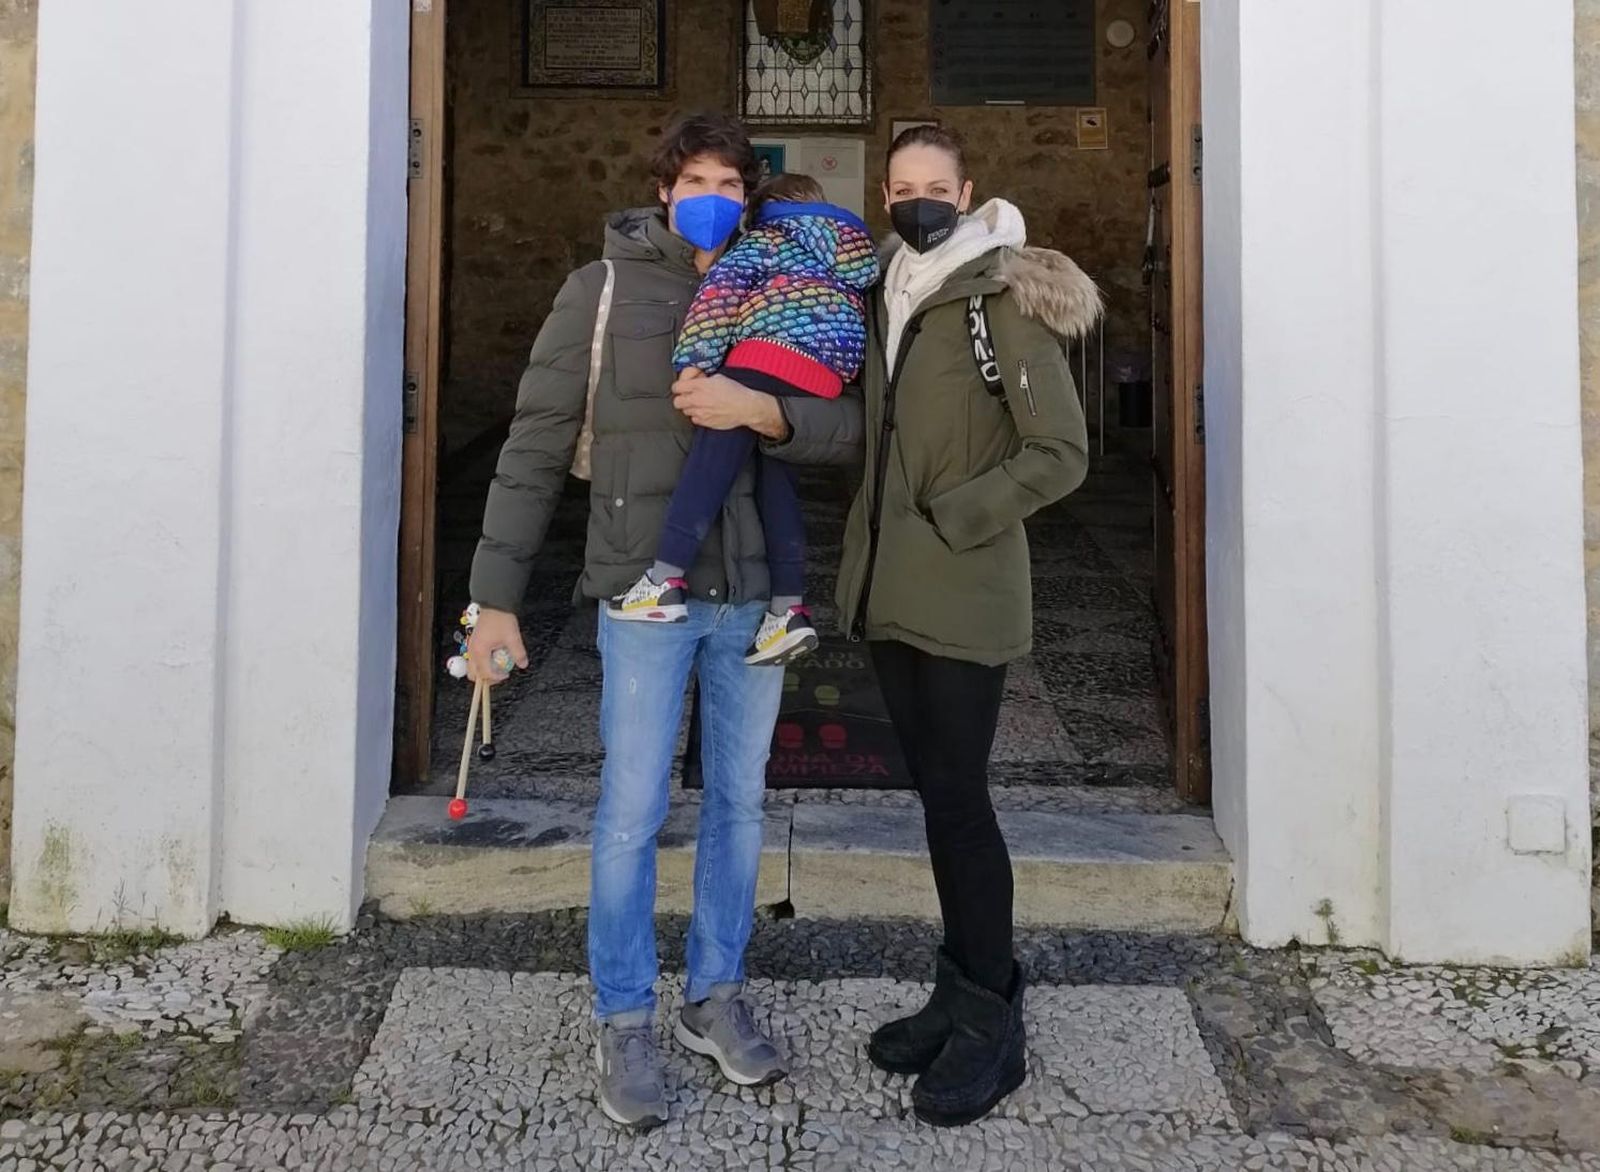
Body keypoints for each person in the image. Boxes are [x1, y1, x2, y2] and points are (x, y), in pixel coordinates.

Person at [464, 113, 863, 1131]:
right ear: (662, 185)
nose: (713, 196)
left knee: (738, 802)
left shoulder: (782, 276)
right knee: (631, 808)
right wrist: (493, 596)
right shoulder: (599, 293)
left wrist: (768, 413)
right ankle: (625, 1014)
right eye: (696, 178)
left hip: (750, 594)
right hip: (643, 591)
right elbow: (536, 441)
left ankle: (714, 993)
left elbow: (846, 426)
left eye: (731, 180)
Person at [839, 125, 1097, 1126]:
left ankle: (992, 1015)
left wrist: (958, 513)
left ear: (967, 190)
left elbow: (1059, 451)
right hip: (890, 585)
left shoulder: (1001, 295)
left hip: (963, 583)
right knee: (935, 793)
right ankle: (957, 988)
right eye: (899, 186)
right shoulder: (888, 286)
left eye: (932, 186)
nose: (914, 200)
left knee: (961, 798)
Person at [608, 173, 879, 668]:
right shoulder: (851, 255)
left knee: (707, 469)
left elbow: (718, 300)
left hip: (765, 357)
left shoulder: (764, 241)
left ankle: (664, 580)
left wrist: (694, 364)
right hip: (825, 376)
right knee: (778, 482)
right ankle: (788, 610)